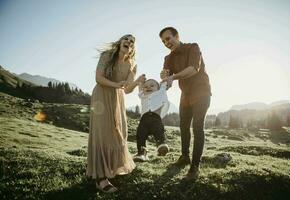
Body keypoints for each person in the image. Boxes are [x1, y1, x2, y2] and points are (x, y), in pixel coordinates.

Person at [86, 34, 145, 192]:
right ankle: (100, 178)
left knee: (119, 132)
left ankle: (111, 168)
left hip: (117, 99)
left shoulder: (131, 64)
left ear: (132, 47)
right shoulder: (106, 56)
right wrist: (115, 84)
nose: (129, 42)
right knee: (102, 132)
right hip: (101, 96)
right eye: (126, 39)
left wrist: (137, 81)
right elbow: (98, 78)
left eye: (132, 41)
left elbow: (126, 89)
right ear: (120, 42)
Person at [159, 27, 211, 180]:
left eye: (168, 39)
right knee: (183, 126)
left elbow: (194, 69)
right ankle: (184, 156)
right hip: (185, 95)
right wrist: (164, 79)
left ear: (177, 36)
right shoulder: (167, 59)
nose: (166, 43)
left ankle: (195, 167)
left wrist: (172, 77)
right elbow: (168, 83)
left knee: (197, 127)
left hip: (201, 91)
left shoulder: (193, 47)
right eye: (163, 41)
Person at [133, 78, 170, 162]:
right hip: (144, 120)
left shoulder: (160, 93)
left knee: (159, 131)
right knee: (140, 135)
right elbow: (140, 88)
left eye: (152, 85)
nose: (148, 87)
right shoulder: (143, 95)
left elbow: (163, 86)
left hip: (155, 118)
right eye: (145, 86)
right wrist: (141, 83)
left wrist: (164, 80)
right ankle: (142, 152)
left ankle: (161, 145)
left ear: (158, 88)